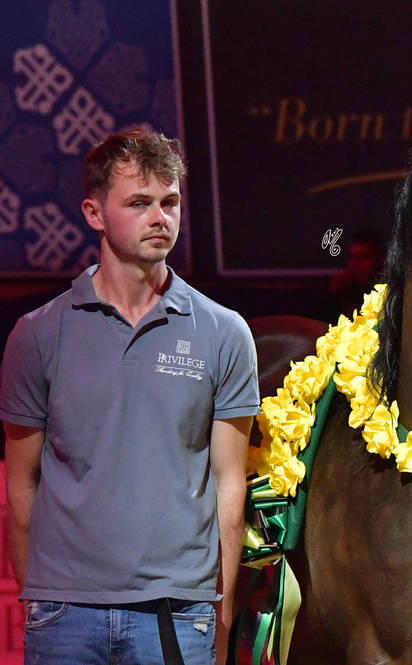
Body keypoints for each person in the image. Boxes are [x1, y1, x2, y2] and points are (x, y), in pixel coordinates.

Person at [0, 129, 259, 665]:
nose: (160, 217)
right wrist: (42, 597)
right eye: (139, 203)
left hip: (179, 611)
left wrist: (222, 601)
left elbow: (229, 480)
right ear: (94, 214)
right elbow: (21, 481)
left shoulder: (223, 332)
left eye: (170, 202)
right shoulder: (38, 334)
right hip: (64, 614)